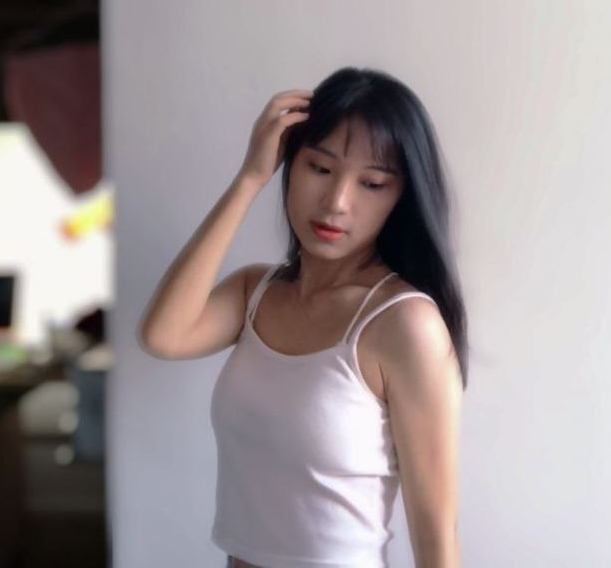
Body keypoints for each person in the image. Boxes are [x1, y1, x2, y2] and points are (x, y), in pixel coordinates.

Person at [138, 66, 468, 568]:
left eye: (372, 183)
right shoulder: (255, 293)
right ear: (289, 165)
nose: (337, 202)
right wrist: (250, 178)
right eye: (319, 168)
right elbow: (163, 336)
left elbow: (437, 535)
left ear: (400, 198)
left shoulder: (404, 324)